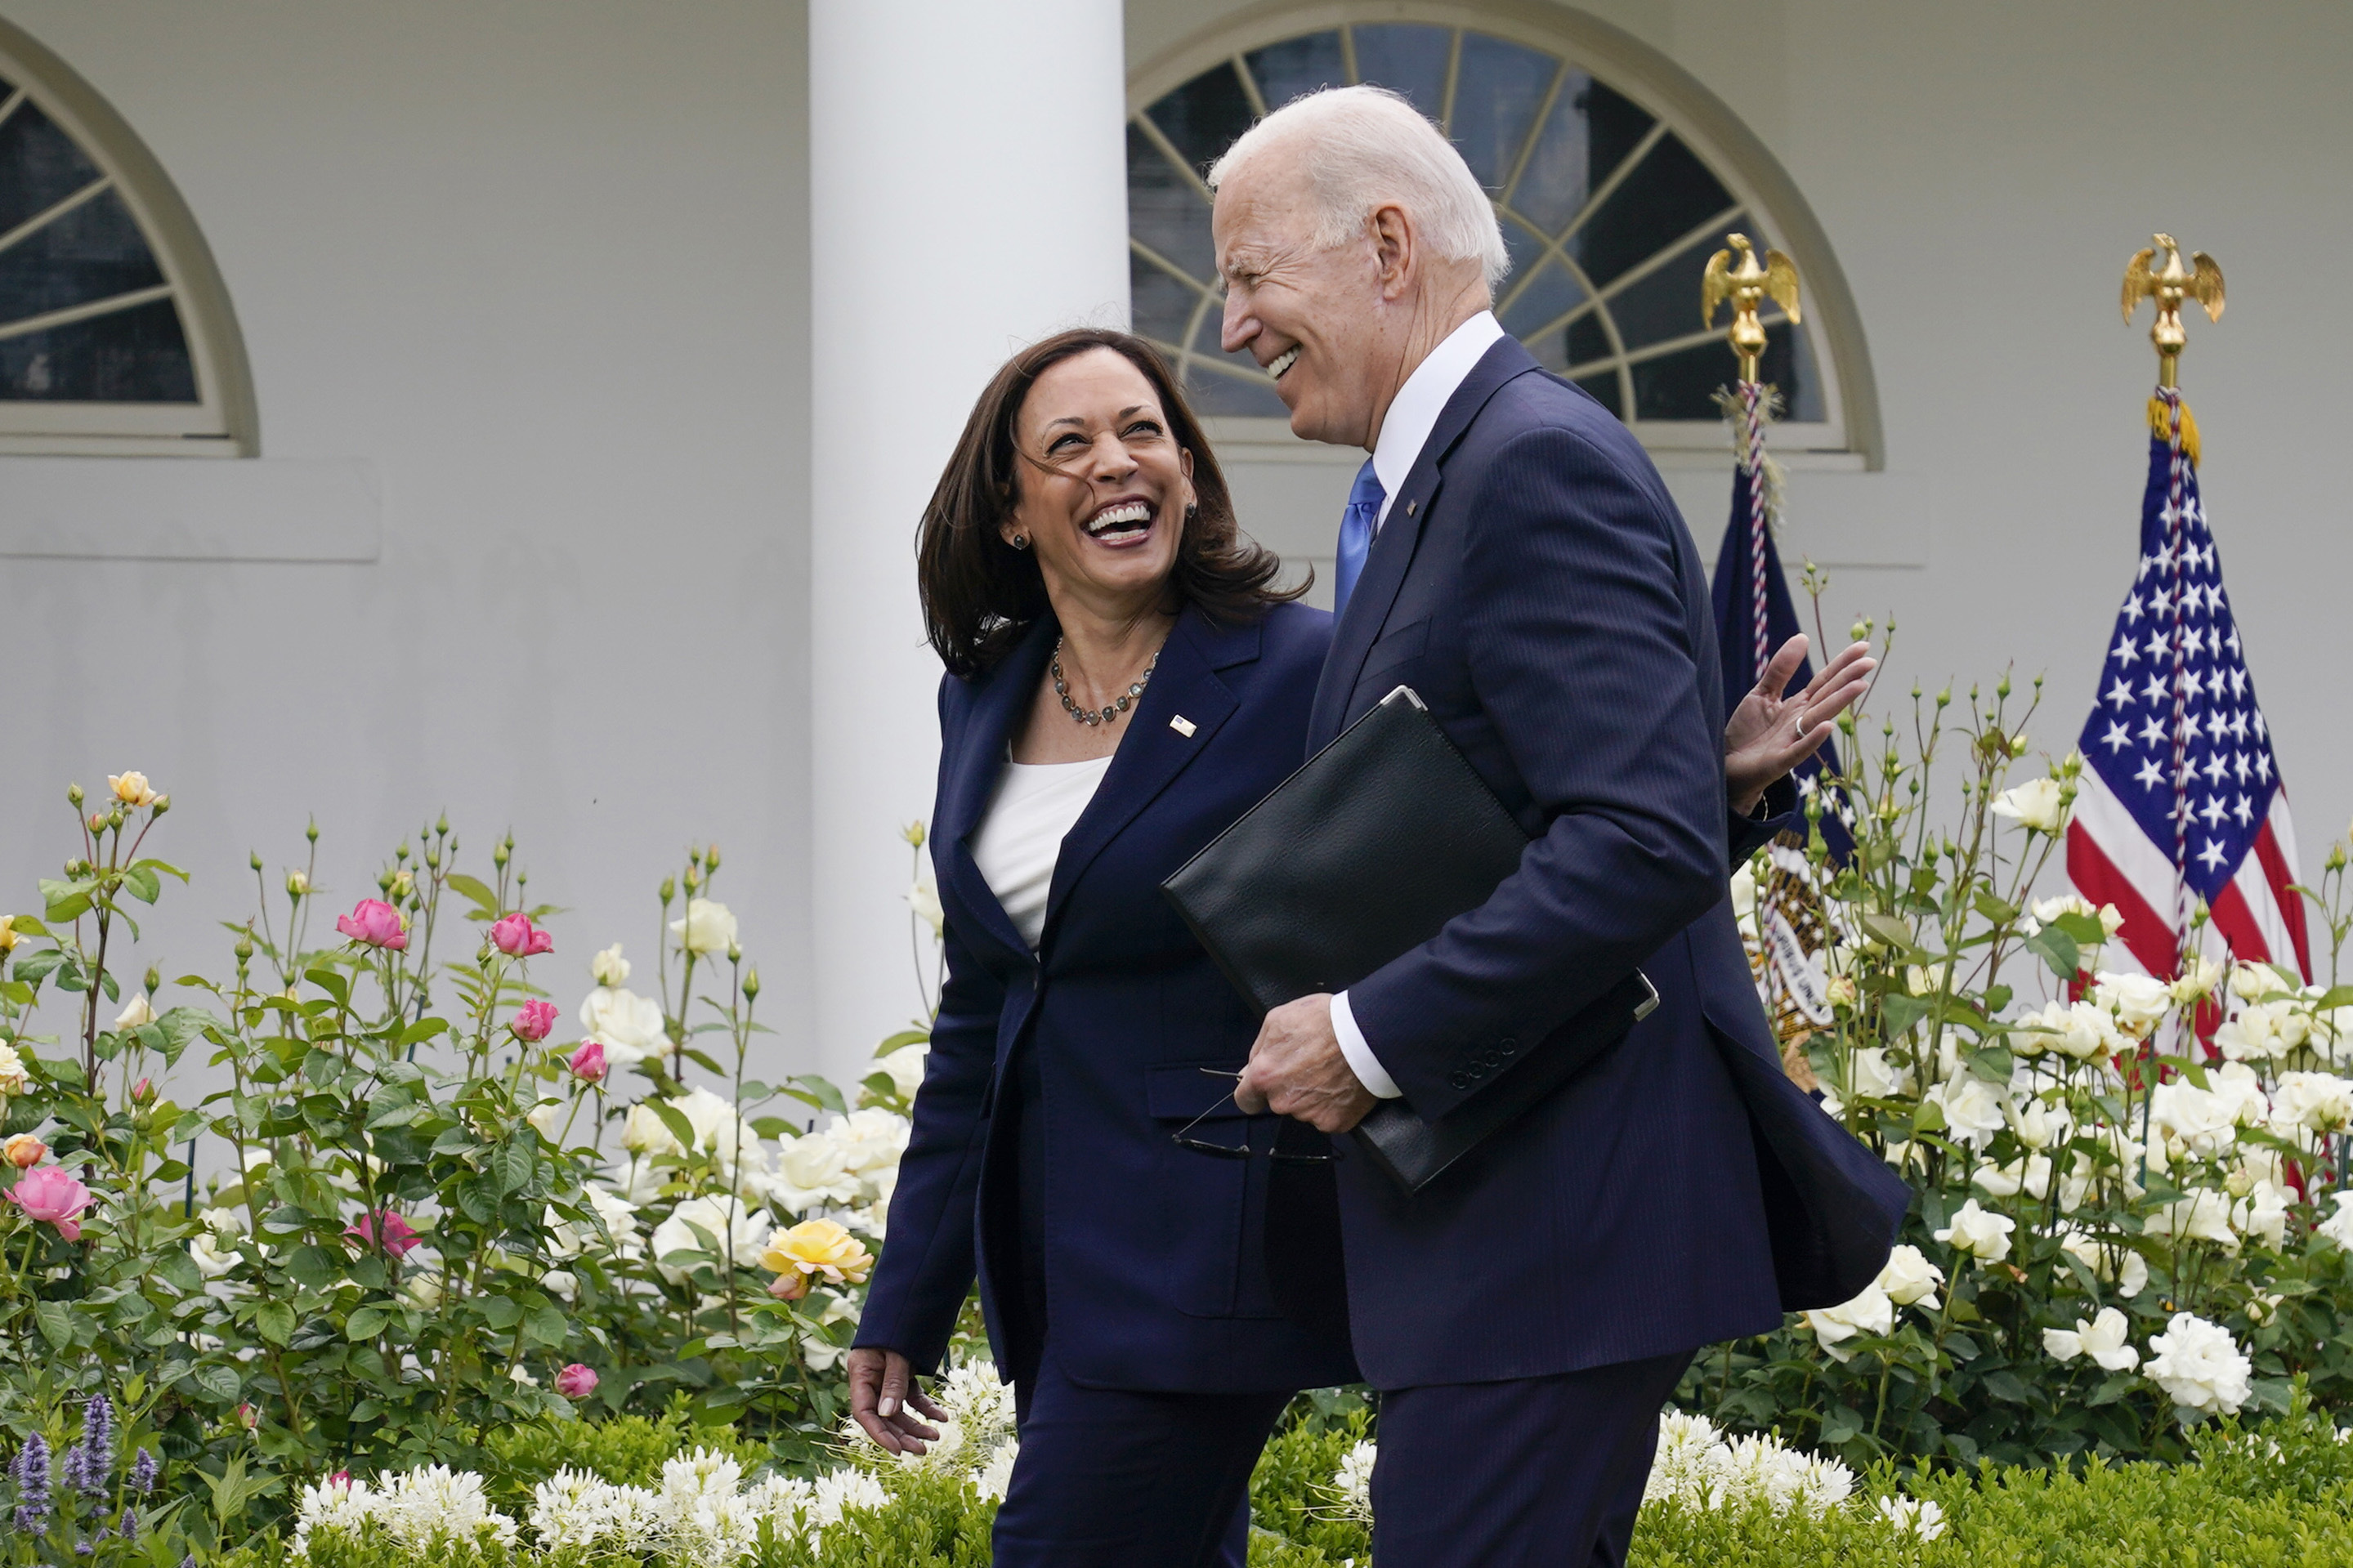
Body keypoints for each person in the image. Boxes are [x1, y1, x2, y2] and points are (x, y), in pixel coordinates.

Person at [843, 330, 1874, 1565]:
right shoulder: (985, 693)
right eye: (1069, 446)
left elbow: (1484, 857)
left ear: (1187, 466)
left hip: (1214, 1244)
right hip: (1059, 1265)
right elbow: (981, 1017)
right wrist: (909, 1290)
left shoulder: (1297, 669)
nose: (1118, 463)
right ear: (1011, 511)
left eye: (1145, 431)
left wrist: (1705, 790)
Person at [1211, 87, 1910, 1568]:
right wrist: (1697, 792)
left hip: (1549, 1231)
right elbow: (1593, 817)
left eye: (1251, 277)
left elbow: (1631, 846)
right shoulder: (1437, 484)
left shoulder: (1529, 462)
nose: (1229, 327)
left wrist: (1364, 1038)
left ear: (1387, 246)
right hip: (1502, 1228)